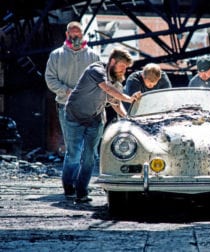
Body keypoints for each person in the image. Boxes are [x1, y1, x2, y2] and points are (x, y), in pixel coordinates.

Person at [62, 47, 141, 203]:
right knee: (74, 155)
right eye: (122, 66)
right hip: (74, 116)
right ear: (112, 61)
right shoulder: (96, 69)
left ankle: (81, 191)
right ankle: (68, 187)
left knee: (90, 156)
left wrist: (128, 117)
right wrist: (128, 98)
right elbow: (107, 89)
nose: (124, 70)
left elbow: (116, 102)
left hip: (95, 119)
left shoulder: (117, 82)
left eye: (126, 67)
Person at [45, 21, 100, 153]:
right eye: (72, 34)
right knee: (72, 147)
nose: (75, 37)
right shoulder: (56, 55)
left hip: (88, 107)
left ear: (82, 34)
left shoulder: (93, 56)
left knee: (88, 147)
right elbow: (50, 78)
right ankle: (72, 174)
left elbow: (100, 81)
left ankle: (85, 173)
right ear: (67, 34)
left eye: (78, 34)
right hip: (65, 105)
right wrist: (66, 91)